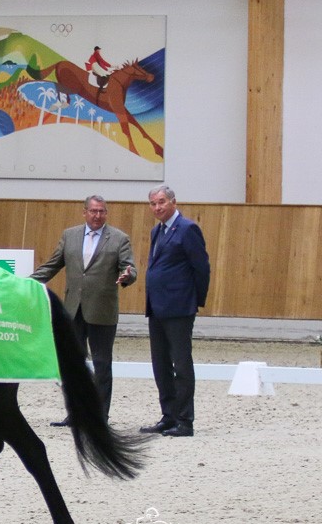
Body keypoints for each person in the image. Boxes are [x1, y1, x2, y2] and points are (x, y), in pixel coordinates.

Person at [31, 195, 136, 425]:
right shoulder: (70, 236)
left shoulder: (119, 238)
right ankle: (75, 413)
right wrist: (28, 282)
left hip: (102, 310)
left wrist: (127, 276)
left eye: (102, 211)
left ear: (106, 213)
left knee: (102, 364)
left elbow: (129, 267)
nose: (97, 215)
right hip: (73, 310)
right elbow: (52, 265)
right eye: (93, 211)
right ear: (85, 212)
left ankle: (100, 415)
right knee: (72, 365)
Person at [142, 185, 210, 438]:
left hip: (179, 307)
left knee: (181, 364)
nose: (157, 207)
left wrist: (194, 301)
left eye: (161, 202)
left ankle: (184, 420)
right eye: (153, 204)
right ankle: (168, 415)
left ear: (172, 202)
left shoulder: (187, 229)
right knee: (160, 364)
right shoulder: (156, 231)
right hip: (157, 307)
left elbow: (201, 268)